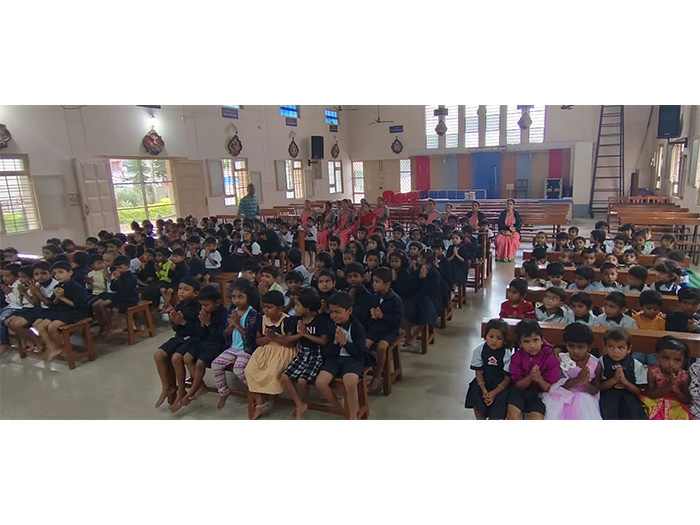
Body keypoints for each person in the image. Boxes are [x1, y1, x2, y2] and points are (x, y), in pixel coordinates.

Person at [170, 285, 229, 411]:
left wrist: (208, 324)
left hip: (218, 345)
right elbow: (201, 335)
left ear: (217, 303)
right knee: (187, 357)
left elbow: (221, 337)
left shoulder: (224, 314)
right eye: (201, 305)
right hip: (205, 342)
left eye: (206, 305)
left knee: (200, 362)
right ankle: (199, 387)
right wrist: (202, 325)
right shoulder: (204, 312)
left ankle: (193, 390)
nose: (203, 308)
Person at [314, 291, 371, 420]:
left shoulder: (357, 327)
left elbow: (359, 352)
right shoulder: (330, 326)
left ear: (349, 310)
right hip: (334, 359)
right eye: (331, 312)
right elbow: (327, 352)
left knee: (350, 382)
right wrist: (335, 343)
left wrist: (345, 343)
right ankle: (340, 407)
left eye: (337, 312)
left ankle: (353, 416)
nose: (334, 315)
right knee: (320, 382)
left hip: (352, 360)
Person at [281, 287, 332, 418]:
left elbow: (323, 341)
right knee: (285, 376)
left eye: (298, 305)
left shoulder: (319, 320)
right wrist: (300, 335)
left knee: (302, 380)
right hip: (301, 353)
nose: (295, 308)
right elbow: (288, 339)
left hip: (316, 355)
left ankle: (305, 402)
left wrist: (306, 334)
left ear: (307, 307)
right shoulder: (296, 320)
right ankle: (298, 403)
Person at [246, 290, 297, 419]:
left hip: (283, 350)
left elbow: (291, 343)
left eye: (270, 307)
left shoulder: (288, 321)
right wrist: (267, 339)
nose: (266, 310)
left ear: (280, 308)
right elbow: (258, 340)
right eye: (264, 307)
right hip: (265, 349)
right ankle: (260, 403)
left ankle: (271, 398)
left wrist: (275, 338)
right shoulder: (261, 319)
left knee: (273, 372)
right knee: (250, 370)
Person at [211, 279, 261, 409]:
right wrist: (231, 324)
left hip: (246, 349)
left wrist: (237, 325)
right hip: (233, 348)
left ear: (248, 297)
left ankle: (257, 392)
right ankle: (224, 392)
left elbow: (250, 339)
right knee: (216, 364)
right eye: (234, 297)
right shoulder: (231, 311)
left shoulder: (253, 314)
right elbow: (226, 334)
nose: (237, 300)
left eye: (240, 297)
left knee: (238, 369)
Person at [153, 277, 202, 408]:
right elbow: (176, 329)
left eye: (186, 289)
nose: (181, 291)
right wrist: (175, 321)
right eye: (180, 288)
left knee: (176, 357)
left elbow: (200, 331)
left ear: (195, 293)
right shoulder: (179, 305)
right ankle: (167, 387)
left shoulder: (199, 307)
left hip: (194, 338)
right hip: (180, 337)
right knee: (158, 354)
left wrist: (183, 322)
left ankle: (181, 390)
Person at [32, 261, 90, 362]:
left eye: (60, 272)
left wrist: (62, 298)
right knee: (38, 325)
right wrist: (57, 298)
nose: (57, 275)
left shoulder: (77, 287)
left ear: (70, 272)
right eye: (55, 273)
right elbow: (53, 303)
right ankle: (52, 347)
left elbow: (79, 306)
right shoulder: (58, 286)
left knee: (52, 327)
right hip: (60, 311)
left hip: (75, 312)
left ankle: (61, 347)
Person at [541, 323, 602, 420]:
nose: (575, 351)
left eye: (580, 347)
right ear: (565, 344)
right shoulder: (561, 359)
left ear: (589, 347)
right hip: (561, 397)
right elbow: (557, 386)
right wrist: (577, 380)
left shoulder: (595, 364)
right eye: (571, 346)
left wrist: (584, 383)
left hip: (586, 399)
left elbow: (596, 390)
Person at [506, 319, 559, 420]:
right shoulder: (516, 357)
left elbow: (548, 388)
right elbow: (518, 385)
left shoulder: (550, 359)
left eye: (535, 340)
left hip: (539, 394)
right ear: (520, 343)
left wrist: (539, 379)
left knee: (537, 418)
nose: (532, 345)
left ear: (542, 340)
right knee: (512, 415)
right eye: (526, 341)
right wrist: (530, 377)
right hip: (519, 392)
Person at [365, 267, 404, 394]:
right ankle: (370, 369)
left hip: (390, 330)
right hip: (376, 328)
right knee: (364, 345)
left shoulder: (396, 300)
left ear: (387, 284)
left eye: (377, 282)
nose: (374, 284)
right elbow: (370, 315)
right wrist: (372, 315)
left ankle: (377, 376)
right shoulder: (374, 297)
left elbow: (398, 321)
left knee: (382, 347)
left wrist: (383, 316)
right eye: (373, 281)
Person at [464, 318, 512, 420]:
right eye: (491, 336)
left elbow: (507, 378)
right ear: (485, 336)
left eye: (499, 338)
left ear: (504, 340)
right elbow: (478, 372)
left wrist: (493, 393)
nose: (494, 341)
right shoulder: (479, 350)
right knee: (476, 397)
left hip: (500, 385)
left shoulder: (507, 353)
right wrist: (484, 389)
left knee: (498, 406)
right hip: (482, 382)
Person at [6, 261, 59, 352]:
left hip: (43, 310)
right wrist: (23, 293)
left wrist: (32, 292)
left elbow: (39, 304)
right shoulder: (36, 284)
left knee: (18, 324)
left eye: (43, 273)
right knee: (8, 322)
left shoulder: (51, 285)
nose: (40, 276)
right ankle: (29, 339)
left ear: (51, 274)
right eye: (37, 274)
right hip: (33, 308)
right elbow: (23, 302)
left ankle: (37, 341)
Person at [598, 327, 647, 420]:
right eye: (611, 347)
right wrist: (614, 380)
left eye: (620, 348)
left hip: (629, 396)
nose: (615, 351)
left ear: (629, 348)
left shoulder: (635, 364)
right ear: (604, 347)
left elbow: (638, 391)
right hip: (608, 397)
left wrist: (624, 382)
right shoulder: (601, 362)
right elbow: (599, 386)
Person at [638, 336, 691, 420]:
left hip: (677, 404)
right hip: (656, 400)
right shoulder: (653, 371)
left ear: (683, 362)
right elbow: (650, 394)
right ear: (657, 358)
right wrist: (666, 388)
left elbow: (687, 399)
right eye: (666, 358)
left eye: (677, 360)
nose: (671, 363)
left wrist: (675, 389)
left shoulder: (685, 376)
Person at [92, 255, 139, 335]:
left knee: (114, 309)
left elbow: (124, 290)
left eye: (120, 268)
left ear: (127, 266)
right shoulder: (118, 276)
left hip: (129, 298)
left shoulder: (131, 277)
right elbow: (113, 288)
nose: (118, 270)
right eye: (116, 268)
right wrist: (114, 279)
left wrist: (117, 279)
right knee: (98, 305)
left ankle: (116, 326)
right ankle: (105, 323)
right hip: (119, 296)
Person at [403, 249, 441, 347]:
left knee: (426, 312)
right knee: (406, 310)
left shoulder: (434, 272)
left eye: (419, 257)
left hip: (430, 297)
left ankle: (415, 335)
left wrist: (424, 278)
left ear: (424, 260)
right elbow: (411, 285)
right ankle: (408, 334)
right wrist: (414, 272)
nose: (417, 259)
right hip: (416, 296)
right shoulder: (418, 269)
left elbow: (431, 289)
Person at [0, 264, 33, 355]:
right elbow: (9, 301)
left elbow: (19, 302)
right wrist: (7, 293)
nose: (4, 278)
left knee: (2, 319)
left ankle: (5, 342)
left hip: (17, 308)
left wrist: (9, 292)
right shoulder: (9, 285)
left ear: (16, 277)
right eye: (3, 276)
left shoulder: (18, 285)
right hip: (11, 306)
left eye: (7, 276)